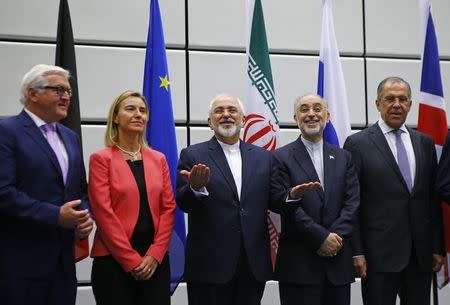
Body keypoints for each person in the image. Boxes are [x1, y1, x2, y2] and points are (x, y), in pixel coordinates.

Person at [343, 77, 445, 305]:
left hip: (420, 256)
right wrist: (356, 251)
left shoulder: (424, 143)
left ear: (410, 104)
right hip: (378, 256)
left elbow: (432, 199)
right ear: (378, 104)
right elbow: (352, 202)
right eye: (389, 99)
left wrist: (437, 247)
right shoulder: (357, 144)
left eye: (402, 99)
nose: (396, 104)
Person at [0, 64, 93, 305]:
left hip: (63, 264)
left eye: (68, 92)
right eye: (58, 90)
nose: (66, 97)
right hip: (21, 265)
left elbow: (80, 189)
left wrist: (83, 216)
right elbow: (4, 192)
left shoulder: (70, 137)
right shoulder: (7, 132)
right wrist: (56, 215)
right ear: (33, 93)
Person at [176, 94, 279, 305]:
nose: (226, 115)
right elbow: (182, 203)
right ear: (210, 122)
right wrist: (195, 188)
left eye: (232, 110)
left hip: (252, 265)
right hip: (209, 266)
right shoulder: (193, 154)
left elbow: (275, 200)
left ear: (242, 120)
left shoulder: (264, 157)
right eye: (219, 111)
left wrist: (292, 196)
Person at [88, 90, 176, 305]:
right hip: (113, 261)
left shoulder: (158, 159)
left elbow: (168, 208)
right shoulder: (101, 159)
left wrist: (155, 254)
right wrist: (130, 260)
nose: (138, 114)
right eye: (130, 109)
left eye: (142, 111)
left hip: (155, 261)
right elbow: (103, 213)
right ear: (115, 118)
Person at [272, 94, 359, 305]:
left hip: (337, 263)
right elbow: (282, 203)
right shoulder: (280, 157)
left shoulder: (343, 156)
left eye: (317, 108)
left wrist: (335, 237)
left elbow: (352, 202)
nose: (311, 114)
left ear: (327, 116)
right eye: (304, 109)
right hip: (299, 265)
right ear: (295, 118)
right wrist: (321, 237)